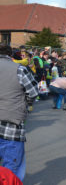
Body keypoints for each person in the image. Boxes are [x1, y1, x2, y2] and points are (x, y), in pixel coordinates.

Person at [0, 44, 38, 181]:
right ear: (11, 55)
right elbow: (33, 92)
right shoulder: (19, 69)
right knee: (12, 168)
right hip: (12, 125)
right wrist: (26, 104)